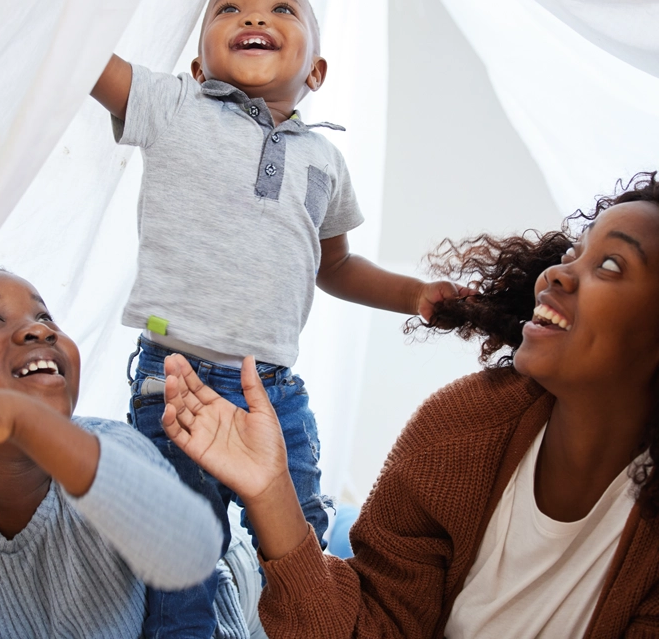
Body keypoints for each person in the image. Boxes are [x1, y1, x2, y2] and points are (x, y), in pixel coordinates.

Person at [90, 0, 466, 636]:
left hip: (273, 388)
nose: (254, 17)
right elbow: (89, 64)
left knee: (300, 536)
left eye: (281, 9)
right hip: (175, 382)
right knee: (182, 553)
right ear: (199, 63)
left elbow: (339, 267)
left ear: (315, 71)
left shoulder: (324, 161)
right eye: (228, 9)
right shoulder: (176, 105)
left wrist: (414, 293)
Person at [162, 171, 659, 637]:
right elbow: (370, 626)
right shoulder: (461, 429)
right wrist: (271, 490)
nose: (557, 274)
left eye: (610, 265)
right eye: (574, 251)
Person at [0, 264, 249, 639]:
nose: (39, 330)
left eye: (45, 315)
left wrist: (28, 424)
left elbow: (193, 558)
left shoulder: (116, 448)